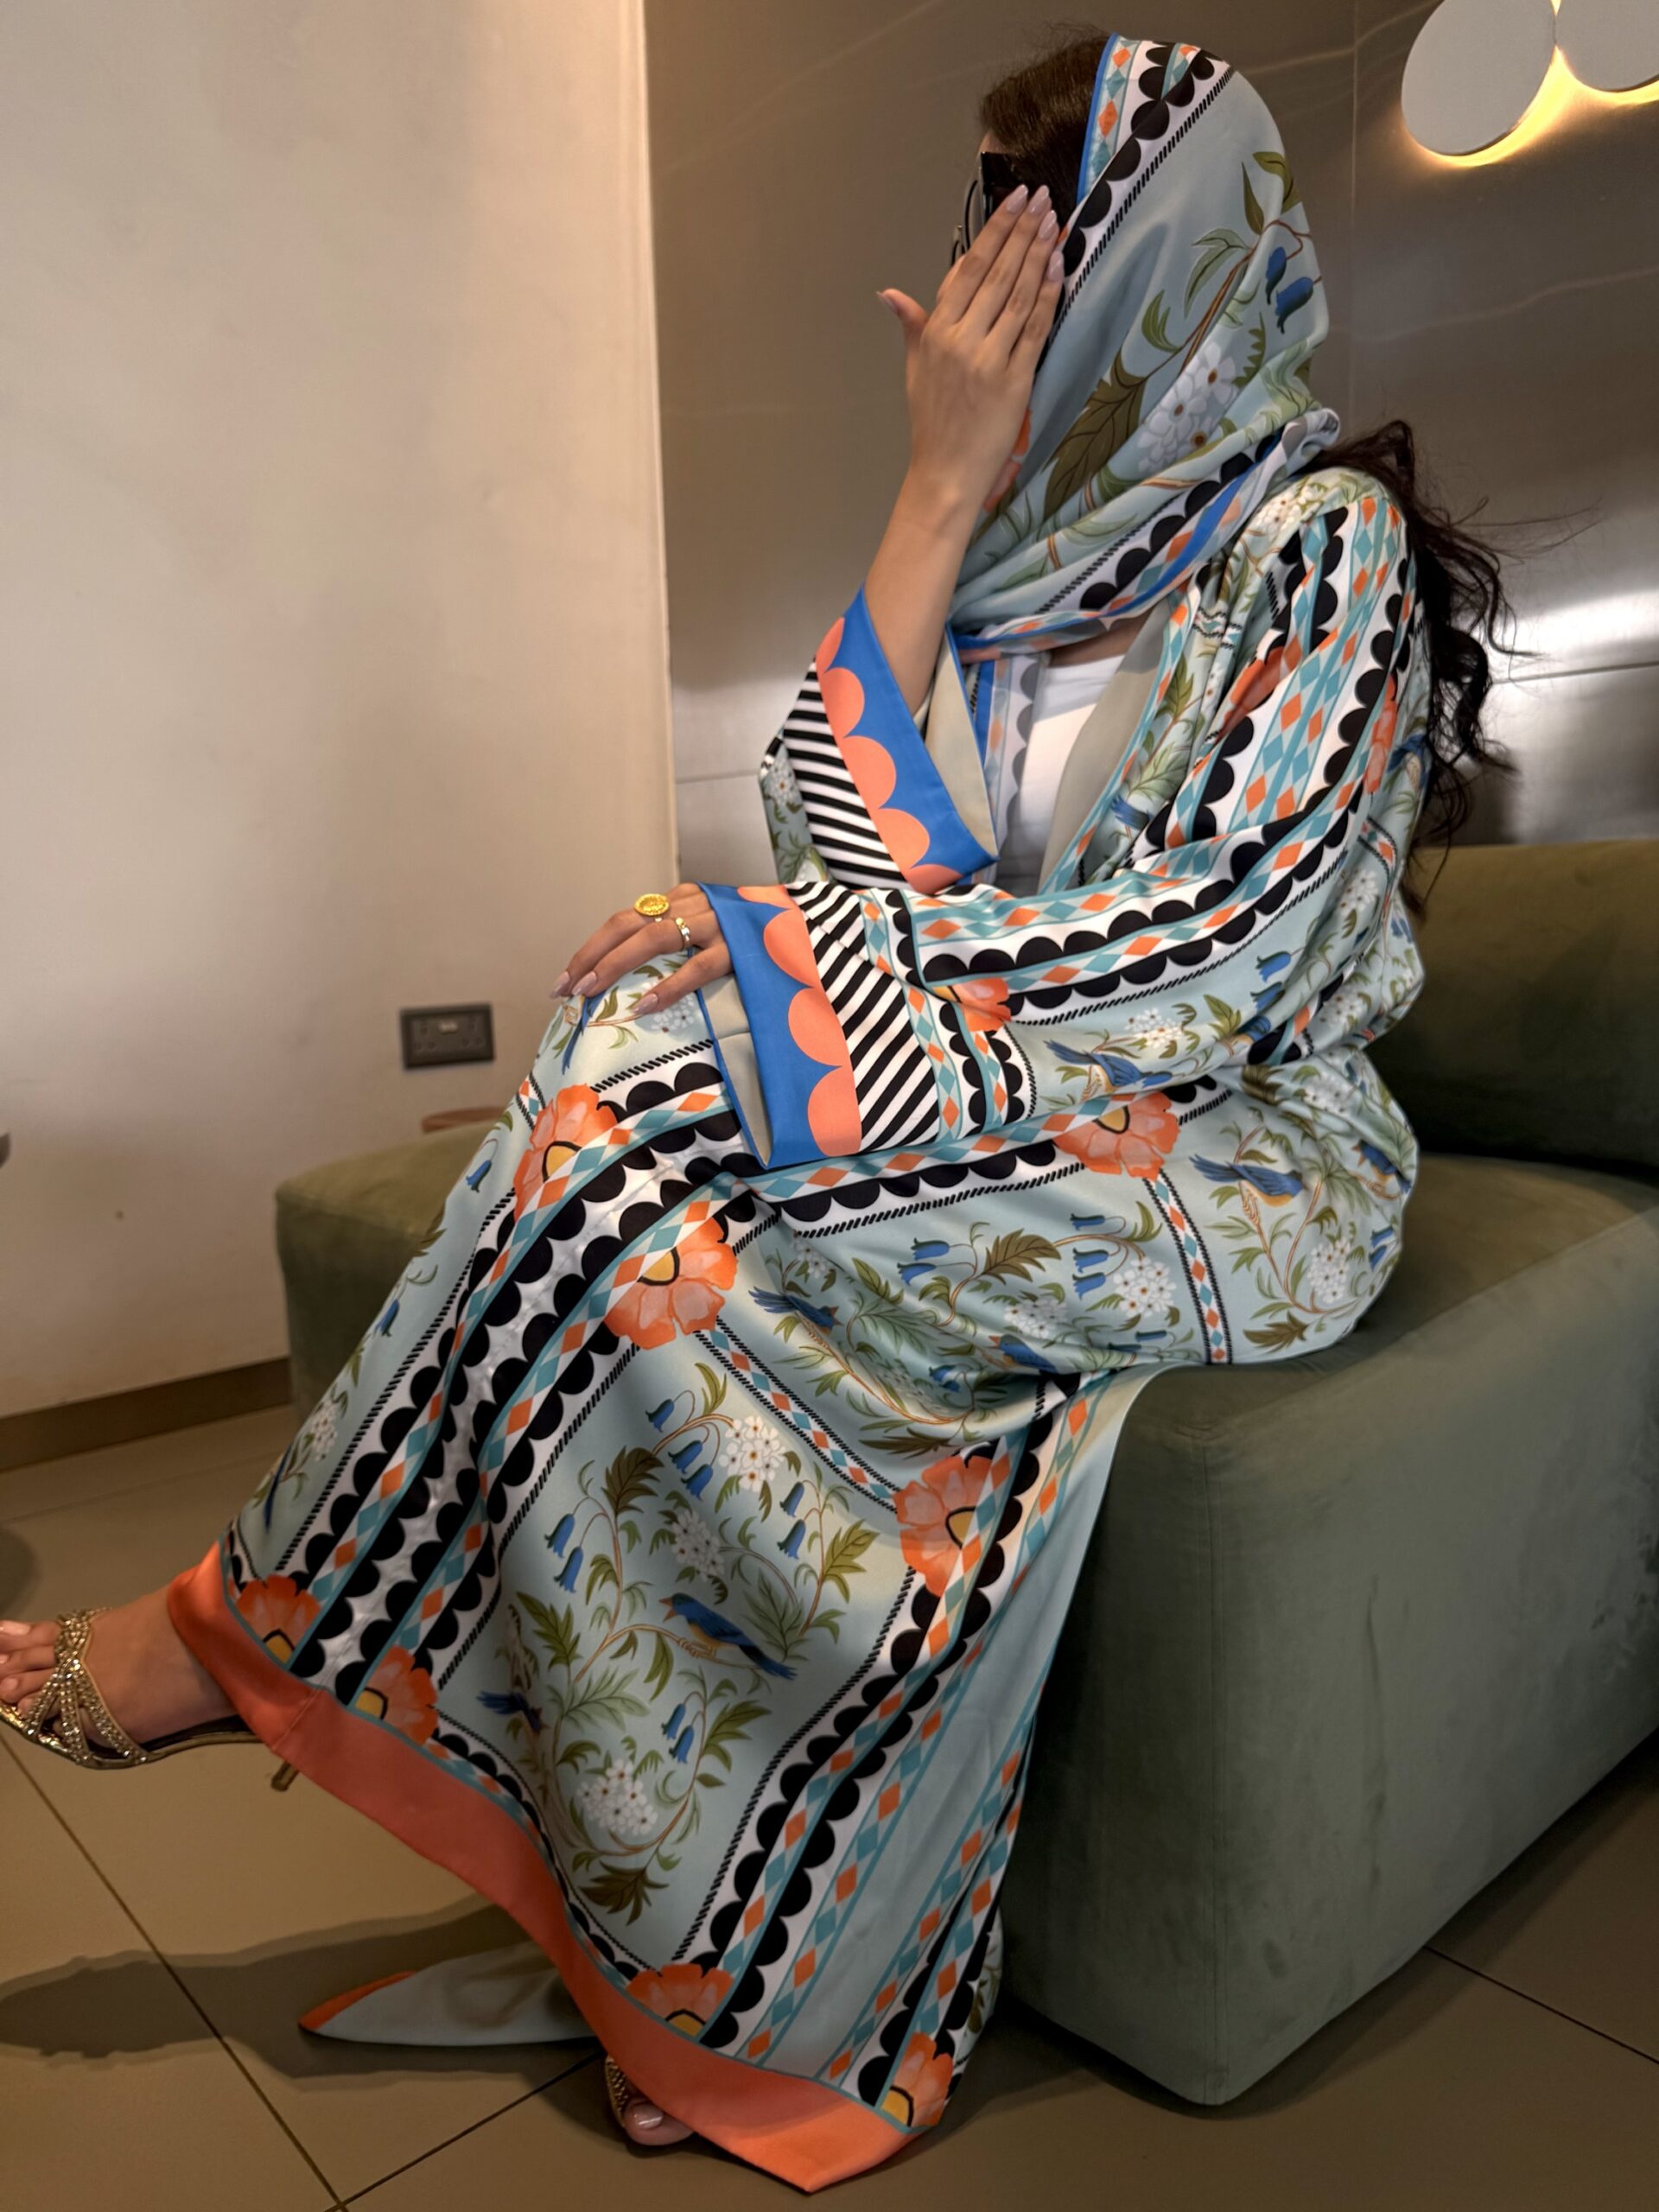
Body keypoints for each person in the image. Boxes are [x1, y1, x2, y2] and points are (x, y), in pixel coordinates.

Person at [2, 29, 1508, 2190]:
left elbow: (1229, 944)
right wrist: (936, 488)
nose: (983, 307)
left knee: (654, 1119)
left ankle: (241, 1641)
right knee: (614, 1070)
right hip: (1010, 1081)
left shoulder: (1318, 547)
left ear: (1158, 263)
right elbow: (830, 842)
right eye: (976, 252)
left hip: (1235, 1142)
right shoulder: (1014, 549)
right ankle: (646, 1923)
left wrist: (816, 973)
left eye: (1033, 257)